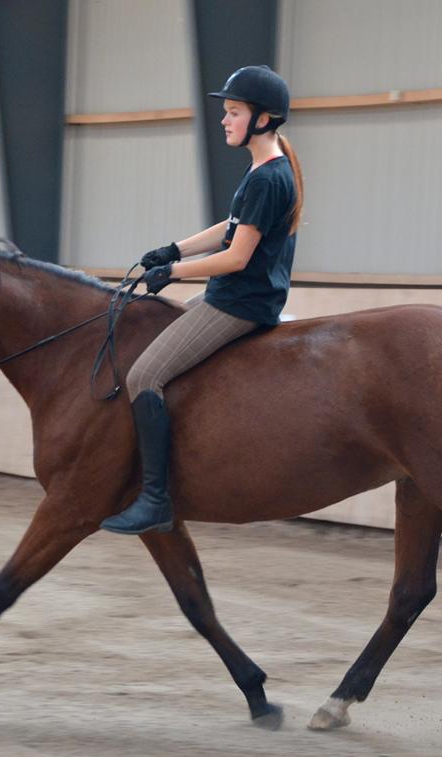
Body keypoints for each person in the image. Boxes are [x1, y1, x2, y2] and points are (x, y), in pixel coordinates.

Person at [100, 65, 304, 535]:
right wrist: (175, 249)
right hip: (235, 295)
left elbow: (235, 257)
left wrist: (171, 273)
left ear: (264, 119)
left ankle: (155, 498)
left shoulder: (268, 178)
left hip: (238, 303)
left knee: (145, 373)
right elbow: (231, 226)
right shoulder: (264, 170)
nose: (224, 120)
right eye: (226, 112)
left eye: (234, 113)